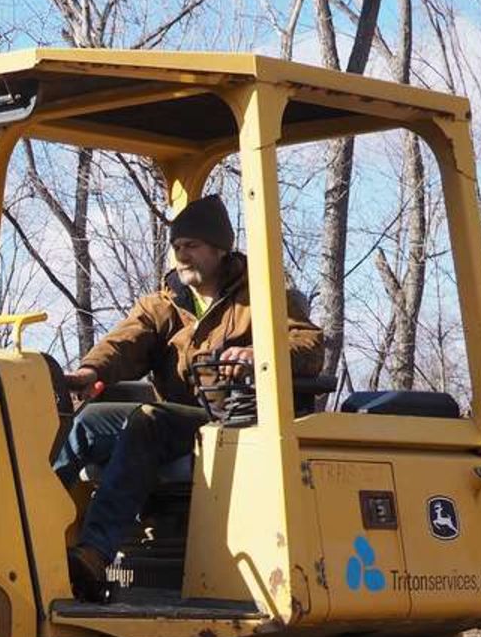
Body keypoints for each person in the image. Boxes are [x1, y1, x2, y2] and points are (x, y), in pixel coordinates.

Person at [53, 194, 324, 601]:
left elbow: (309, 344)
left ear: (219, 250)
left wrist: (260, 355)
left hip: (229, 419)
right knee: (87, 423)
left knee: (146, 420)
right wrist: (90, 372)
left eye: (192, 246)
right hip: (176, 416)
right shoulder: (165, 303)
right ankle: (33, 536)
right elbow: (126, 342)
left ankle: (95, 552)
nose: (182, 256)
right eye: (178, 247)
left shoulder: (261, 297)